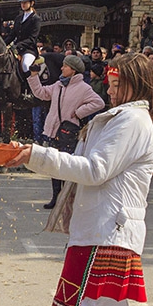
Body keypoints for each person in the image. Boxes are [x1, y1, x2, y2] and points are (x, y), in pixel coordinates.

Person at [8, 52, 153, 306]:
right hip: (103, 231)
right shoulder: (123, 117)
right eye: (109, 83)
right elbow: (86, 163)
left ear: (137, 84)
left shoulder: (130, 119)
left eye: (118, 84)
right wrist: (38, 154)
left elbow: (95, 170)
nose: (111, 91)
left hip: (104, 234)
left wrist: (35, 155)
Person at [28, 53, 105, 209]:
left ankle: (67, 198)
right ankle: (56, 197)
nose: (62, 68)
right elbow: (41, 93)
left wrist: (79, 112)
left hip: (68, 131)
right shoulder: (59, 85)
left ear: (74, 70)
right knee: (53, 164)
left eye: (65, 66)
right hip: (53, 130)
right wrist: (34, 76)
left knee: (66, 165)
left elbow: (99, 102)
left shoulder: (84, 88)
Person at [3, 0, 41, 76]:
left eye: (25, 2)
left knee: (25, 65)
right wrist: (3, 44)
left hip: (29, 50)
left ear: (32, 3)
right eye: (21, 3)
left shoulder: (36, 19)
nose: (22, 5)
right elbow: (12, 35)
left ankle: (30, 87)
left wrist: (17, 45)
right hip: (16, 49)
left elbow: (32, 38)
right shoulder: (18, 18)